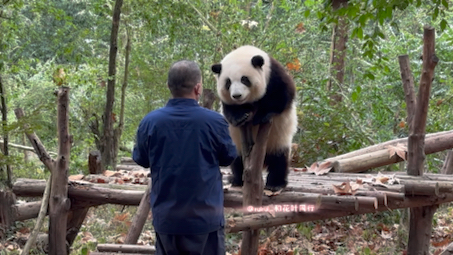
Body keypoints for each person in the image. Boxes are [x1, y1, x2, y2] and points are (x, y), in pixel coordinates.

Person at [132, 60, 237, 255]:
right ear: (198, 88)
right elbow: (228, 157)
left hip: (167, 220)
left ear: (168, 87)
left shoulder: (150, 122)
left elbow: (141, 159)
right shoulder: (214, 122)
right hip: (205, 220)